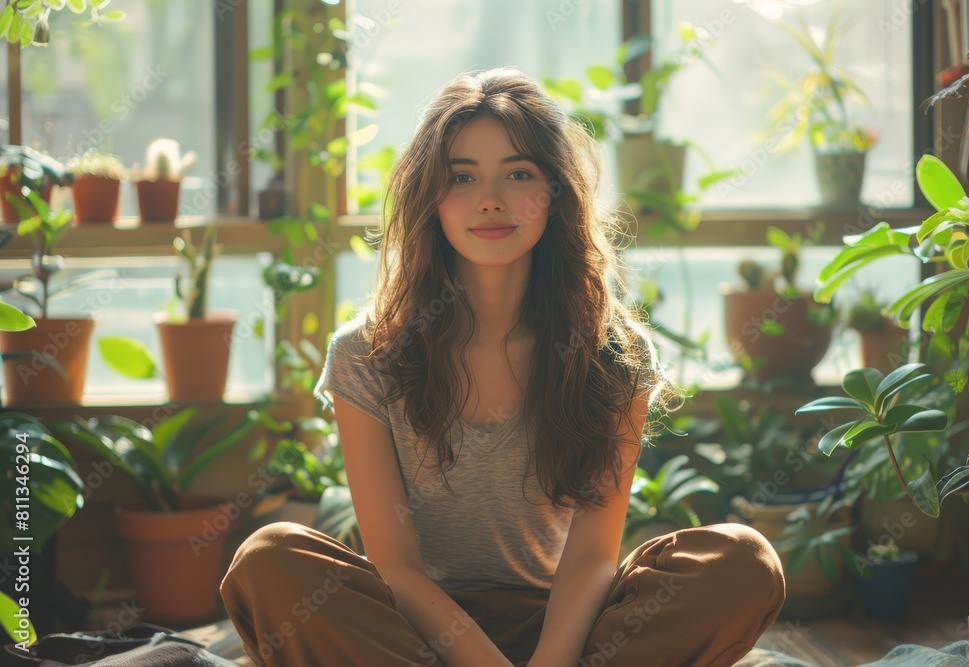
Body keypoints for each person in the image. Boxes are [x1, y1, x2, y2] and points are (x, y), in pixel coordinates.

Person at [220, 67, 785, 667]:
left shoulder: (613, 353)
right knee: (269, 559)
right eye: (462, 177)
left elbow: (594, 556)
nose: (491, 199)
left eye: (518, 174)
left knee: (743, 561)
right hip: (410, 632)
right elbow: (396, 567)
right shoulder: (365, 353)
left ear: (556, 193)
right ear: (429, 197)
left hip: (566, 629)